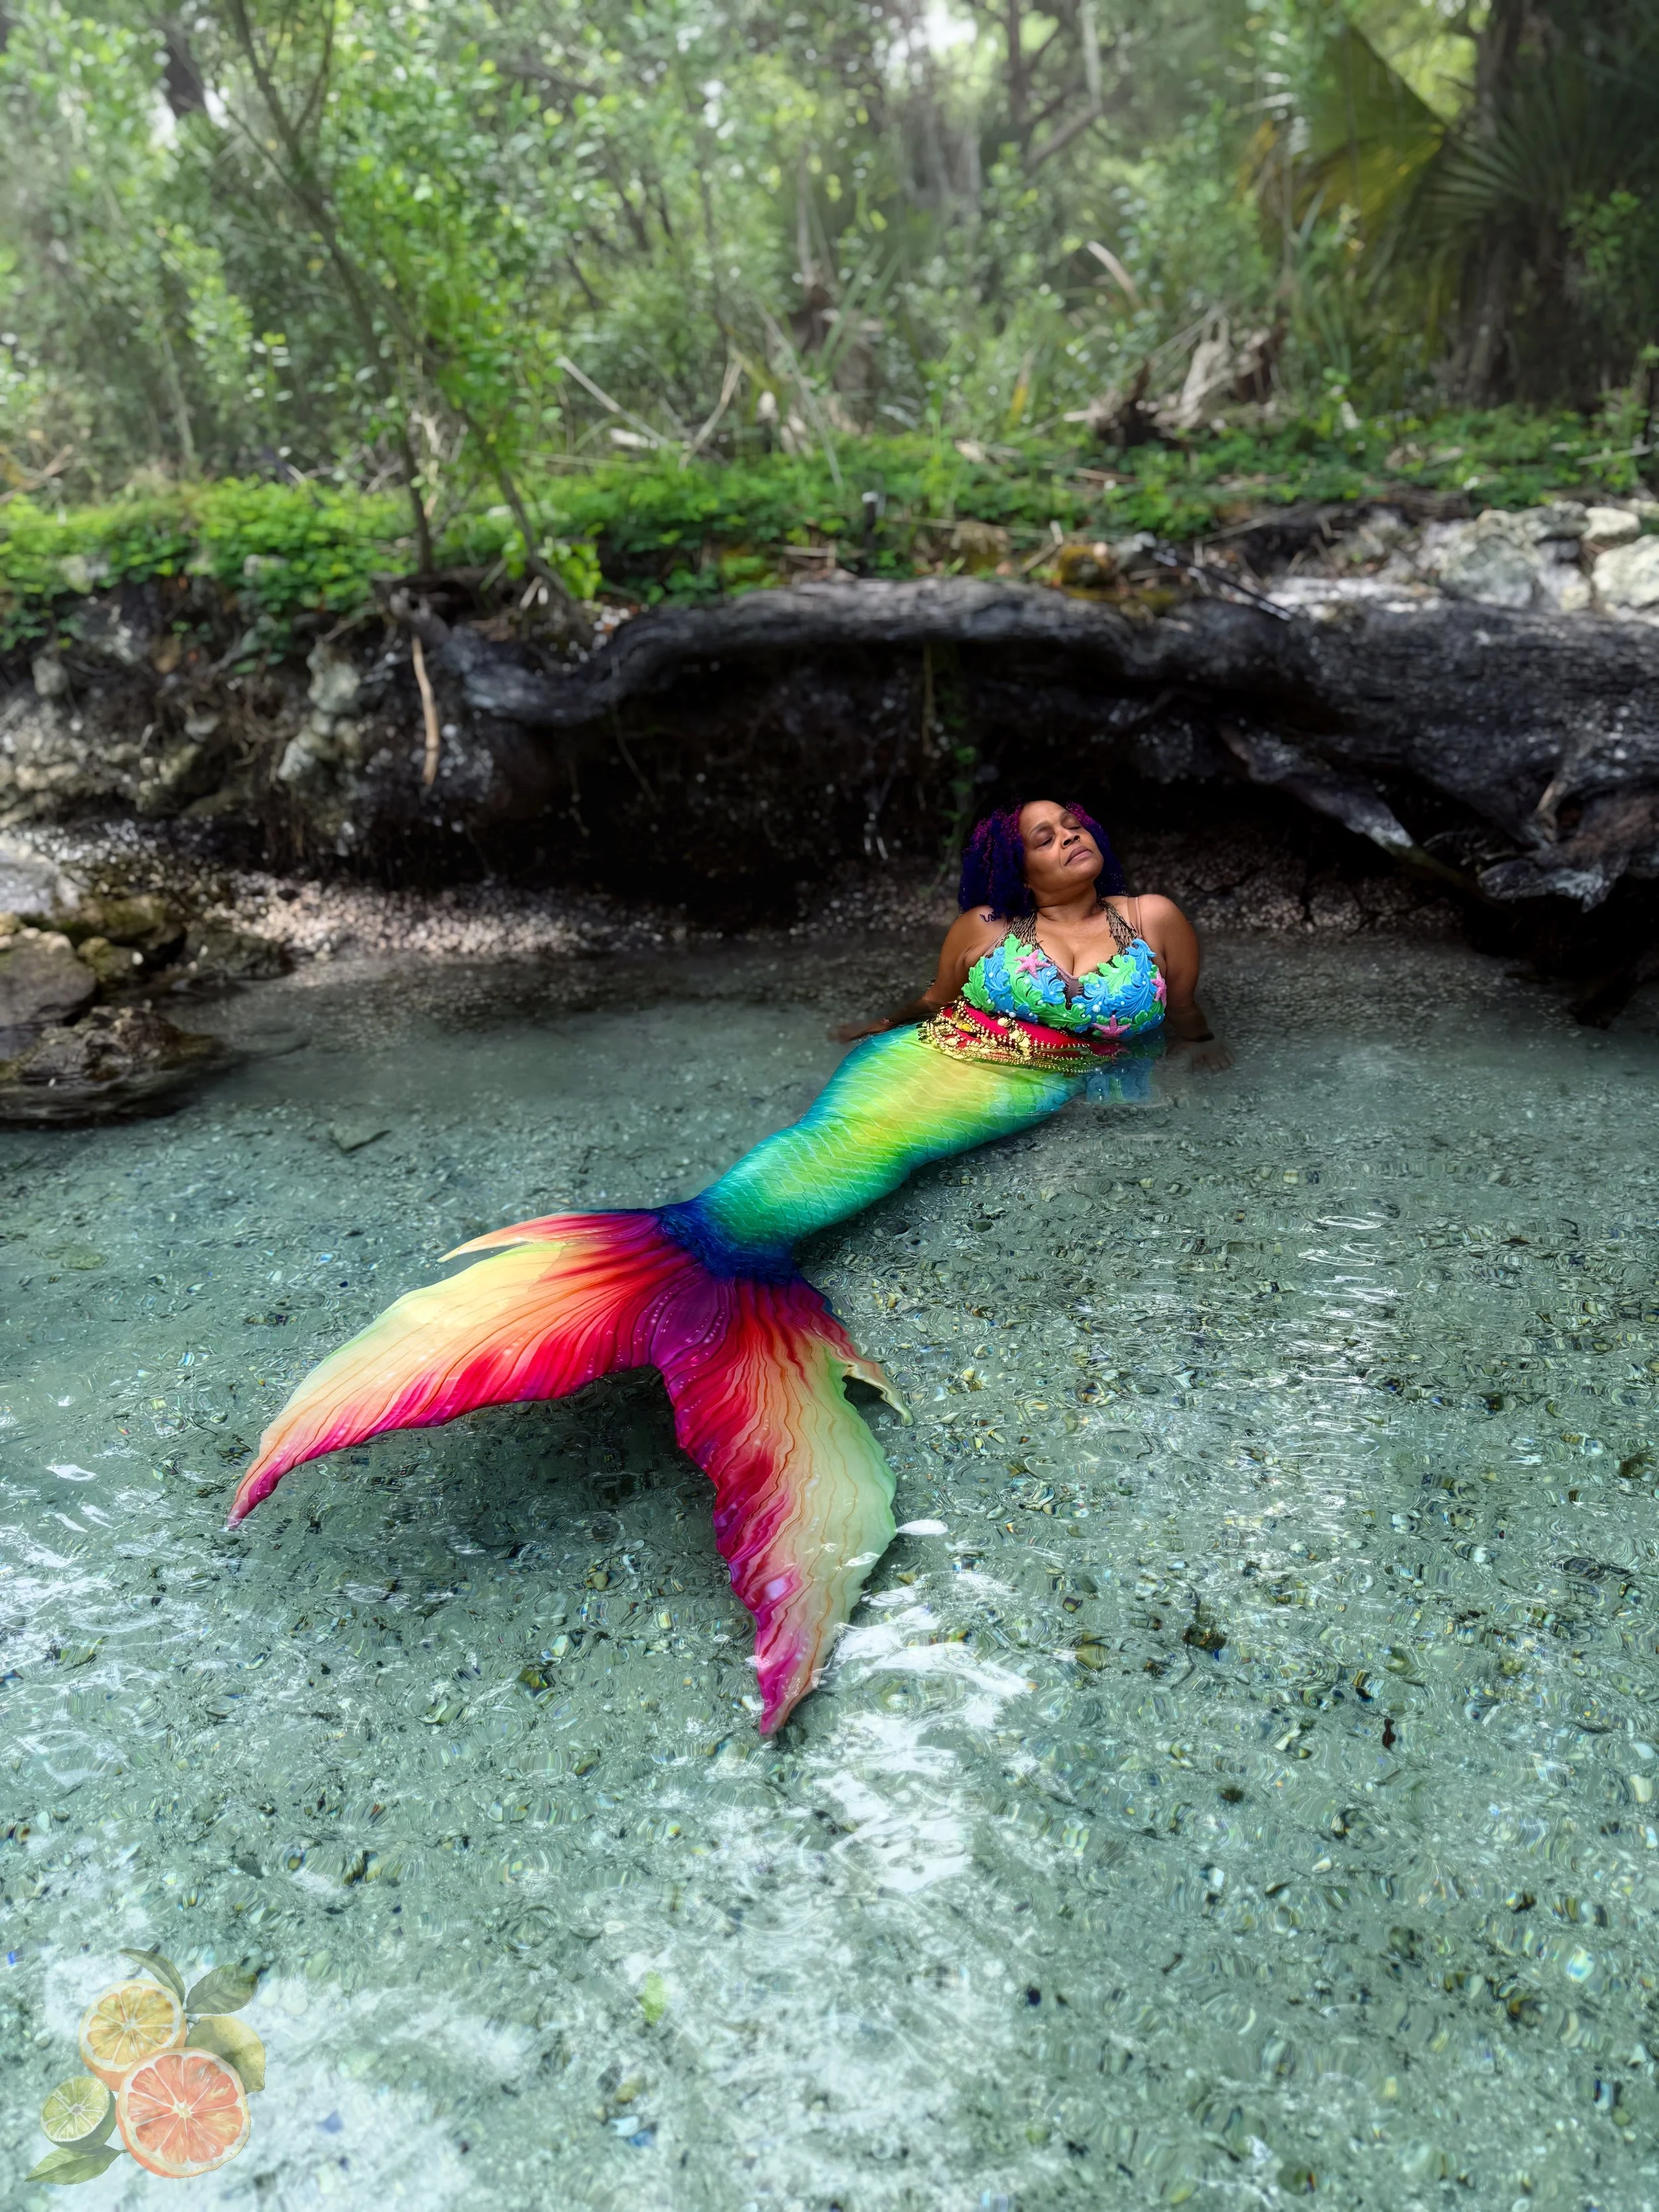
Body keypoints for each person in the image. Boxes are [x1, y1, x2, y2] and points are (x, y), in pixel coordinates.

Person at [228, 800, 1220, 1733]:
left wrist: (1206, 1073)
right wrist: (880, 1027)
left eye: (1074, 823)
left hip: (1032, 1085)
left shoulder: (1153, 919)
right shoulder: (983, 929)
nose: (1069, 836)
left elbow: (1185, 1018)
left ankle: (710, 1308)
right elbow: (933, 1004)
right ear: (1015, 866)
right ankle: (699, 1276)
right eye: (1045, 834)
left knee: (877, 1161)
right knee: (841, 1146)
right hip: (925, 1061)